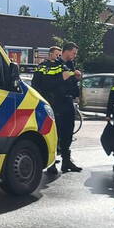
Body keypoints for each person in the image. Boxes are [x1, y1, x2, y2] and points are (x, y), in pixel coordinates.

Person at [38, 42, 83, 174]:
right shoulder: (50, 65)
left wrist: (76, 80)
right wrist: (62, 78)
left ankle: (66, 161)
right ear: (66, 51)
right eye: (73, 53)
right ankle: (52, 164)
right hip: (55, 104)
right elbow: (42, 84)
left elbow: (70, 84)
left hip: (67, 103)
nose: (75, 56)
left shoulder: (69, 65)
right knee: (55, 134)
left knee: (68, 133)